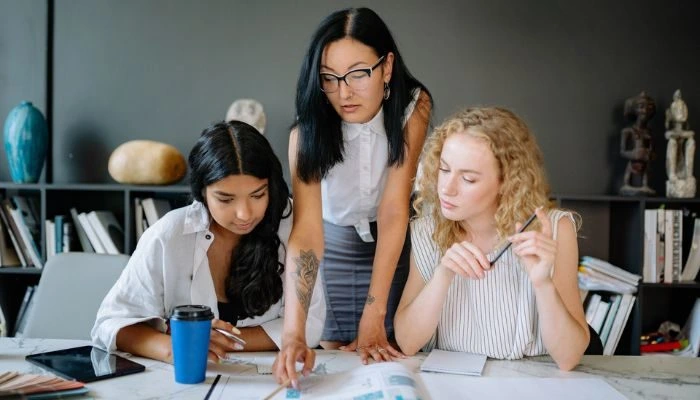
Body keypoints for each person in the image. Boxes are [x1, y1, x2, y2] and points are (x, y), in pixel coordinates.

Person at [274, 7, 432, 386]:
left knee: (388, 355)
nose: (344, 92)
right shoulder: (305, 134)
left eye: (359, 73)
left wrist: (373, 315)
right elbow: (307, 233)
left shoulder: (414, 108)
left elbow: (395, 210)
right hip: (333, 245)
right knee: (330, 356)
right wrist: (293, 332)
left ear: (387, 67)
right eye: (329, 78)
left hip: (394, 245)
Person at [92, 121, 325, 363]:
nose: (244, 214)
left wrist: (220, 343)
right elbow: (110, 324)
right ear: (202, 191)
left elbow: (312, 323)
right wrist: (176, 348)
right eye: (225, 199)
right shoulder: (169, 234)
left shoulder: (294, 230)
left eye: (258, 195)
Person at [393, 107, 589, 371]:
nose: (446, 189)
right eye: (444, 169)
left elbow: (569, 357)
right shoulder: (427, 230)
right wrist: (442, 275)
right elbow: (407, 342)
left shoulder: (555, 229)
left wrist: (542, 282)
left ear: (506, 183)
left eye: (468, 178)